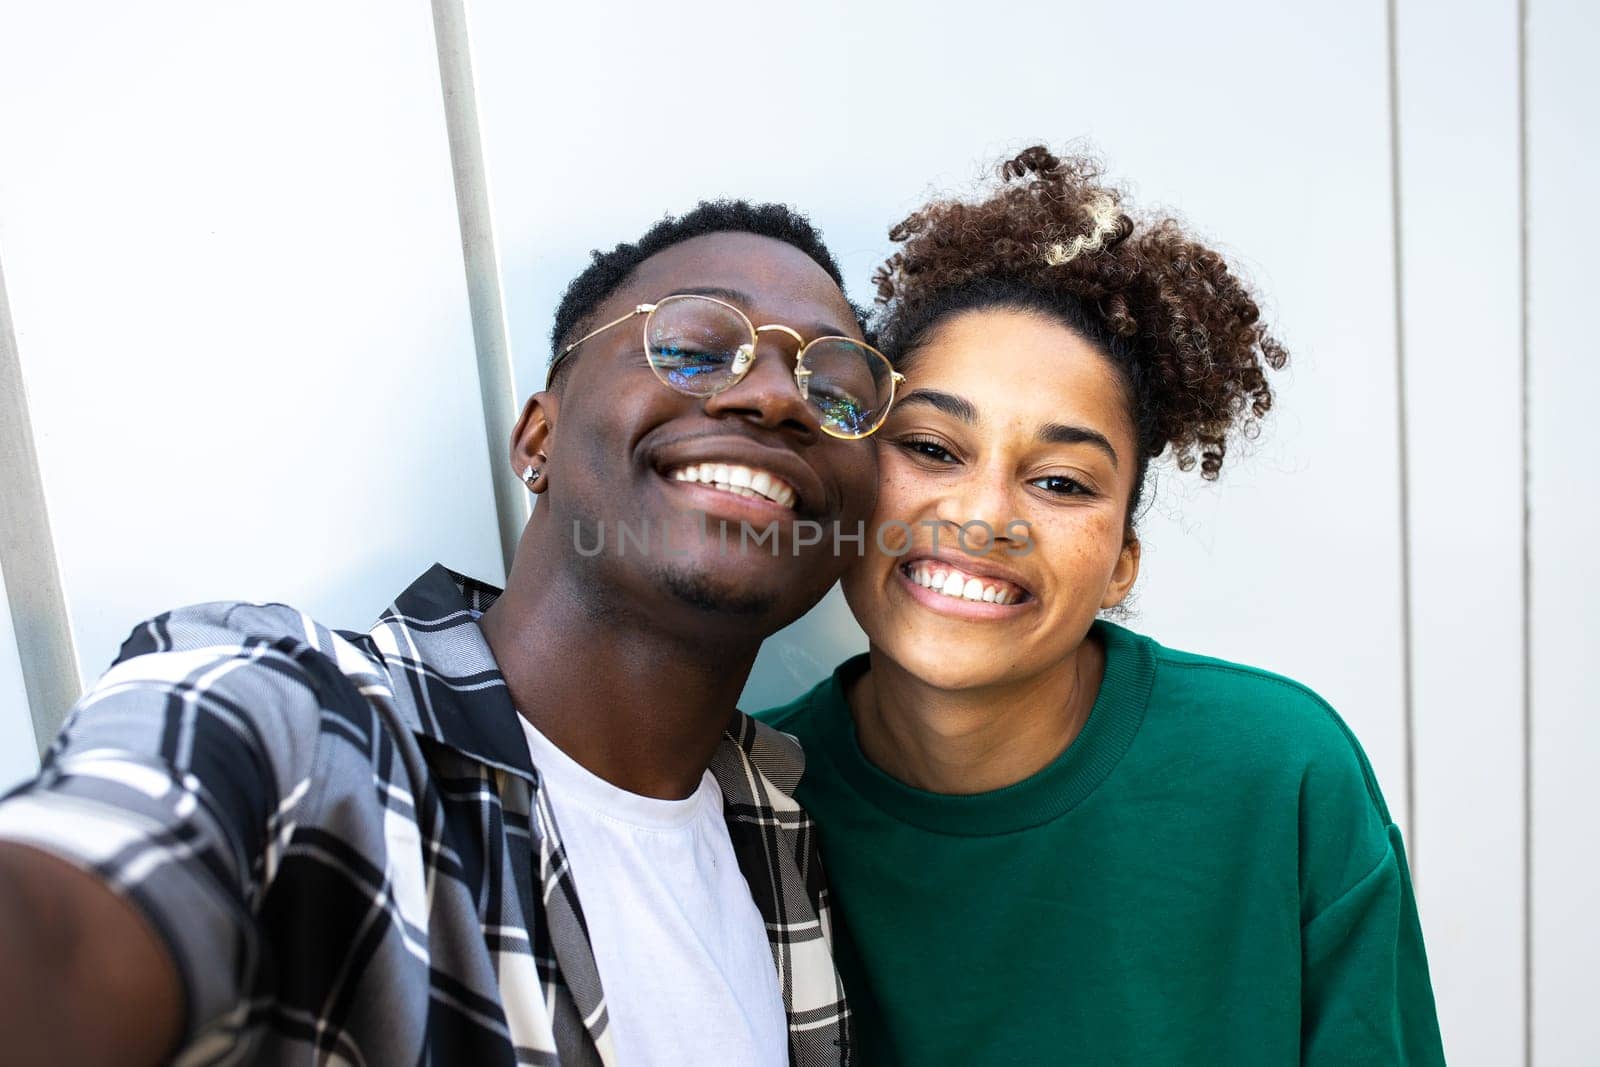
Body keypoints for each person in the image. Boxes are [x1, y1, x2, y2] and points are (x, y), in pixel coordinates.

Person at [0, 200, 904, 1065]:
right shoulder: (300, 719)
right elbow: (69, 930)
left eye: (836, 389)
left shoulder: (786, 823)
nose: (781, 398)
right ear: (537, 441)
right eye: (696, 349)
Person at [759, 147, 1446, 1065]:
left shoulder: (1281, 771)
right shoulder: (754, 799)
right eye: (931, 446)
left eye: (1058, 479)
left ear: (1122, 560)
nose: (983, 515)